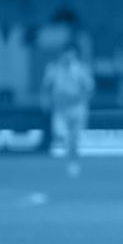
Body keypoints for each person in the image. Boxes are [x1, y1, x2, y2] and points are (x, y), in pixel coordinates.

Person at [41, 46, 95, 177]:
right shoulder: (53, 68)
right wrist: (45, 100)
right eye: (65, 54)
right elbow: (46, 86)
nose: (68, 57)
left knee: (75, 137)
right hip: (60, 109)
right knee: (61, 134)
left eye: (71, 55)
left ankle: (73, 162)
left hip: (77, 107)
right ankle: (70, 156)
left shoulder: (81, 69)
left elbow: (90, 88)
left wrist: (82, 99)